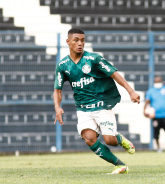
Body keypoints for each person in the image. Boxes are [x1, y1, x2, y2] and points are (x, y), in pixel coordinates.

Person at [53, 28, 140, 174]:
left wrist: (130, 91)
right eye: (76, 40)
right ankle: (119, 165)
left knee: (110, 140)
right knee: (89, 138)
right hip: (82, 108)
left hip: (101, 103)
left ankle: (118, 138)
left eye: (82, 40)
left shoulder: (94, 59)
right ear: (68, 42)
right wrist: (57, 106)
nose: (80, 43)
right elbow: (57, 90)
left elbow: (114, 74)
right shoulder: (62, 65)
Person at [144, 76, 165, 153]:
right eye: (156, 82)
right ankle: (158, 148)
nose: (158, 83)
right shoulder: (151, 91)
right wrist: (144, 111)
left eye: (159, 81)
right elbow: (147, 102)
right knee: (156, 133)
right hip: (155, 116)